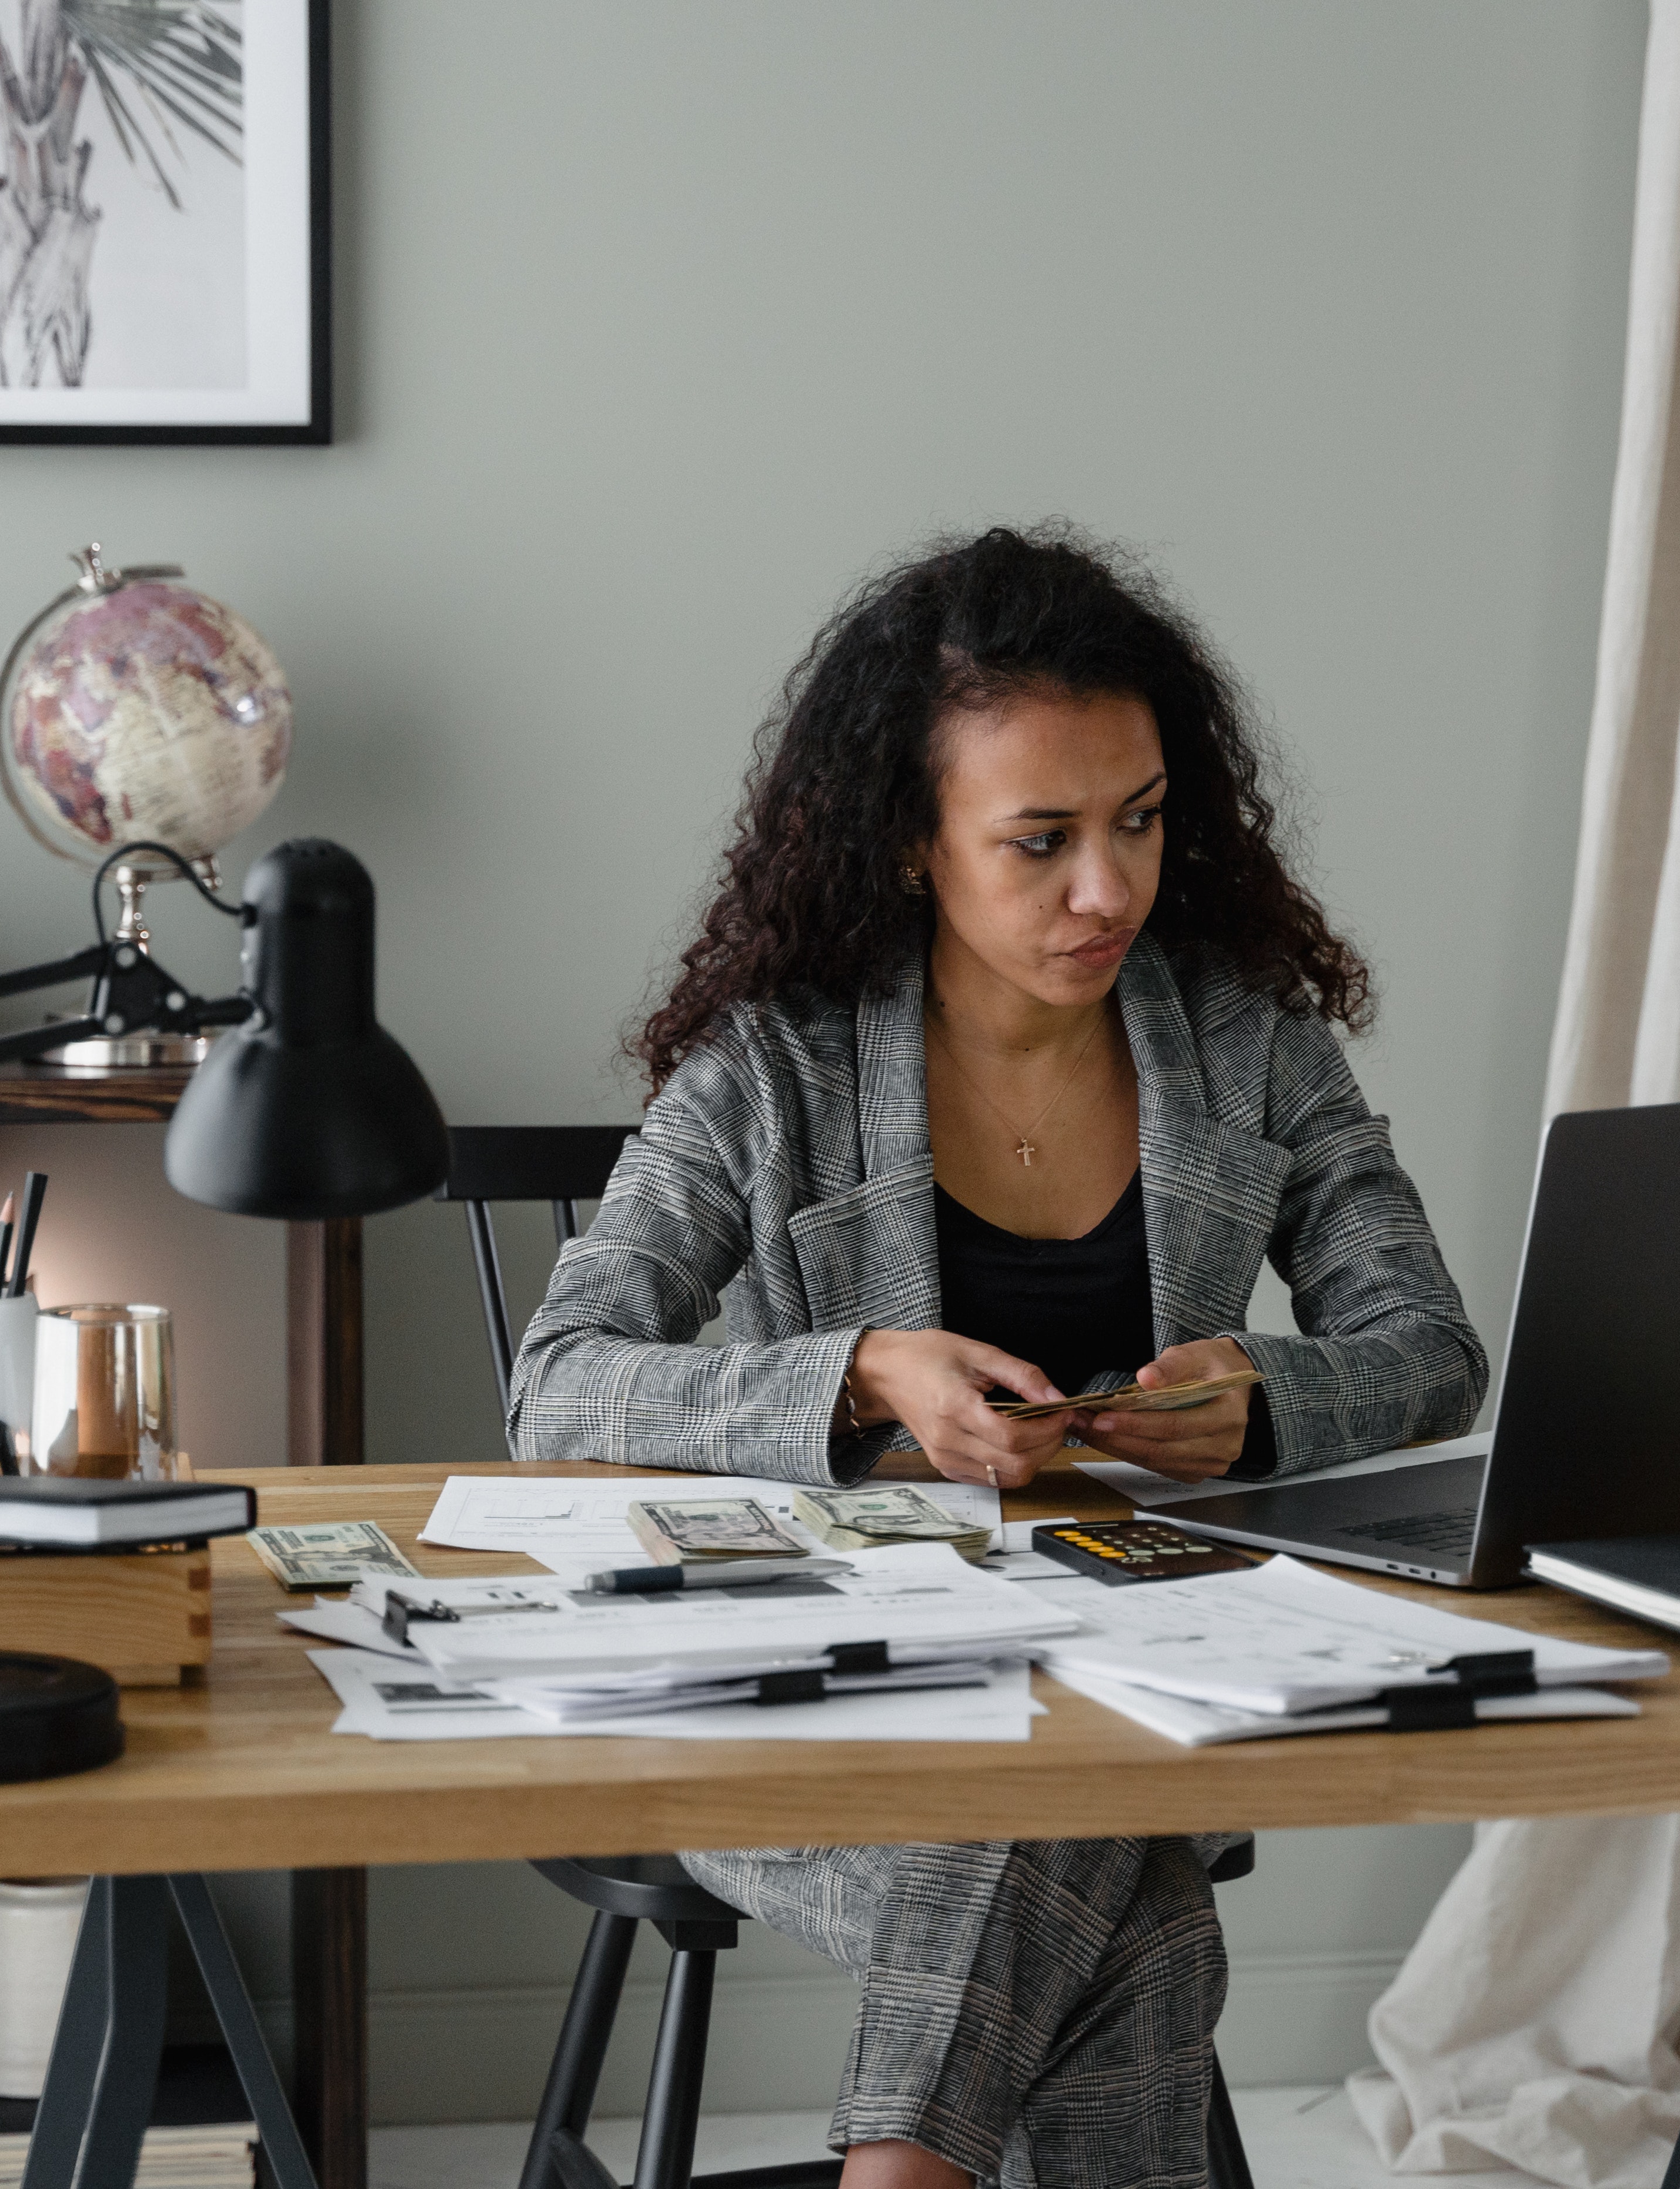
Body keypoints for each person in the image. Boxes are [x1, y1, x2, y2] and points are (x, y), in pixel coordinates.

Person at [509, 525, 1487, 2189]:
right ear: (912, 842)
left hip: (1145, 1681)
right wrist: (861, 1373)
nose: (1106, 888)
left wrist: (1266, 1403)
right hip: (828, 1707)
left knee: (1084, 1823)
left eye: (1141, 821)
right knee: (1126, 1897)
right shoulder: (781, 1065)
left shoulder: (1245, 1039)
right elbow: (561, 1382)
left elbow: (1429, 1348)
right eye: (1040, 841)